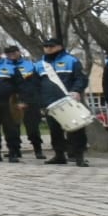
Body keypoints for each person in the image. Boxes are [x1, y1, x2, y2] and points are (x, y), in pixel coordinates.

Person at [35, 37, 90, 167]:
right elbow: (35, 85)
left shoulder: (71, 60)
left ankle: (79, 156)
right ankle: (59, 155)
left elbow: (80, 78)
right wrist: (40, 102)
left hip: (68, 101)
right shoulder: (39, 65)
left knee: (75, 129)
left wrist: (76, 90)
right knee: (55, 131)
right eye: (46, 46)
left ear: (60, 46)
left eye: (52, 46)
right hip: (49, 102)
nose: (49, 48)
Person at [7, 44, 46, 159]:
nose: (12, 56)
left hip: (30, 99)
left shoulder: (30, 65)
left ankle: (38, 149)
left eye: (14, 53)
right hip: (11, 99)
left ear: (19, 52)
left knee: (32, 127)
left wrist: (29, 100)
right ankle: (14, 150)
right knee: (12, 127)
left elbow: (35, 84)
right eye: (9, 54)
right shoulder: (5, 66)